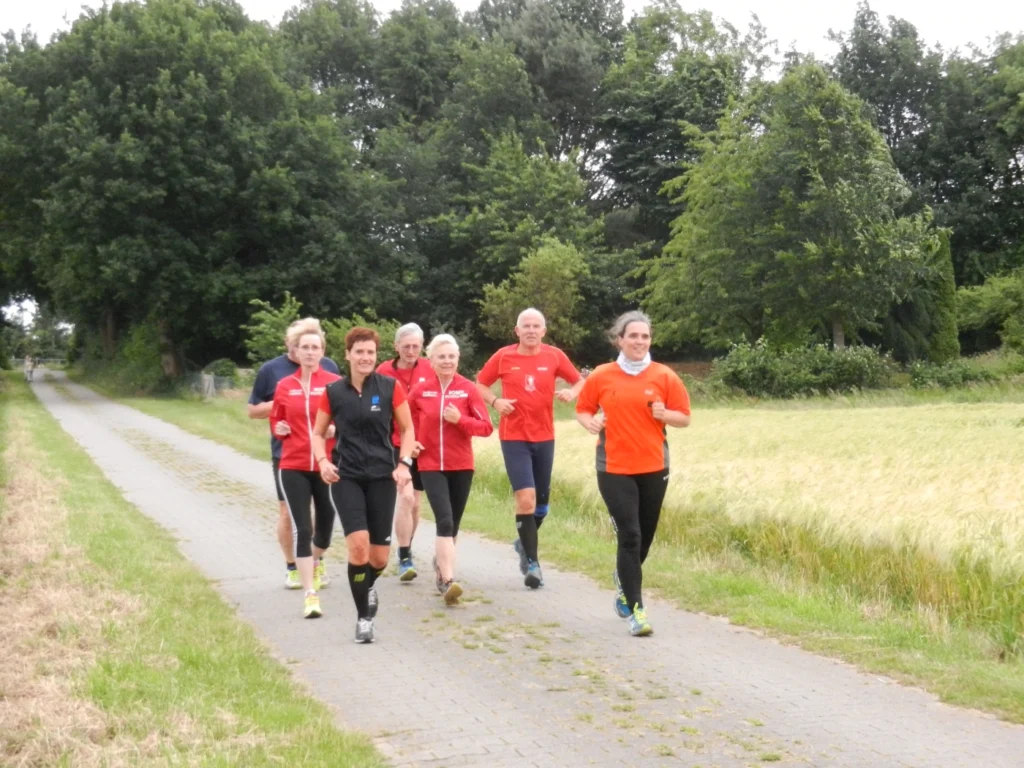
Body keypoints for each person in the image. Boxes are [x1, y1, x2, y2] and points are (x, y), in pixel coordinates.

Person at [575, 311, 690, 637]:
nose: (639, 341)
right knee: (631, 535)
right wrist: (591, 423)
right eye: (633, 336)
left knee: (646, 538)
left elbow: (684, 417)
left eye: (645, 336)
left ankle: (625, 582)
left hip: (655, 466)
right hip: (613, 468)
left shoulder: (664, 376)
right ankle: (637, 611)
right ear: (619, 340)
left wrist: (665, 413)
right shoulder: (602, 375)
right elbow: (583, 409)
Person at [312, 327, 417, 644]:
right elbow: (318, 434)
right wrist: (323, 462)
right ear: (348, 355)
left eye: (370, 352)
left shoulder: (389, 387)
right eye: (359, 352)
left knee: (380, 558)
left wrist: (404, 464)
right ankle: (364, 618)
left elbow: (408, 428)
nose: (365, 357)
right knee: (358, 546)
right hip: (346, 477)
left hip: (383, 478)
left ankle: (367, 584)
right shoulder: (333, 392)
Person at [475, 308, 584, 589]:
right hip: (514, 438)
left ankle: (522, 542)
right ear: (517, 331)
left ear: (544, 331)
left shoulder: (554, 355)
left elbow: (580, 381)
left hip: (545, 436)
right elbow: (481, 384)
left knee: (542, 506)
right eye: (526, 326)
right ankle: (533, 564)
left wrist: (571, 393)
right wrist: (496, 402)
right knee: (525, 498)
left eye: (536, 326)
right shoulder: (503, 356)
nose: (531, 330)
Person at [248, 320, 341, 589]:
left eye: (315, 347)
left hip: (326, 460)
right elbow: (264, 415)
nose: (310, 352)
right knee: (292, 515)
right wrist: (280, 426)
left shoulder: (333, 377)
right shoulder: (278, 377)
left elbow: (346, 416)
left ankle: (316, 558)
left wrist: (336, 430)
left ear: (322, 350)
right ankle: (294, 567)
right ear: (294, 348)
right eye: (304, 346)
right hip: (290, 458)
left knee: (325, 517)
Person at [407, 334, 493, 604]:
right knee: (444, 520)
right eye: (441, 356)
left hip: (461, 465)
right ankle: (447, 580)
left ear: (458, 359)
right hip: (430, 464)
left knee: (453, 524)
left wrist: (460, 420)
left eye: (451, 356)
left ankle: (441, 565)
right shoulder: (420, 390)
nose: (446, 361)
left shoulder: (467, 389)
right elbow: (403, 424)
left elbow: (486, 427)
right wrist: (411, 444)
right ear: (430, 360)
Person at [376, 323, 434, 581]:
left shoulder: (430, 368)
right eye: (406, 346)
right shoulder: (383, 371)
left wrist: (420, 440)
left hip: (423, 443)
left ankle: (406, 547)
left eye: (416, 346)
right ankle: (404, 556)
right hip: (394, 443)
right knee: (406, 497)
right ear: (396, 346)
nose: (411, 351)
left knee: (416, 504)